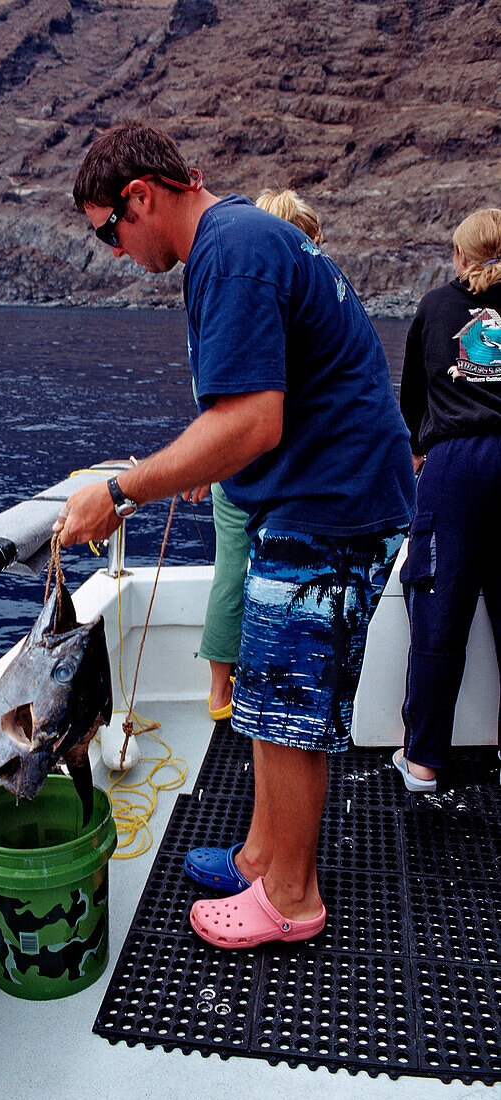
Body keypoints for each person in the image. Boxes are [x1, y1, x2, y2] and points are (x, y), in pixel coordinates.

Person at [54, 120, 416, 948]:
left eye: (110, 230)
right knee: (266, 695)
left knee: (289, 707)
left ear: (141, 197)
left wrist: (118, 493)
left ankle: (290, 898)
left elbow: (251, 420)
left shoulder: (232, 251)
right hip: (324, 494)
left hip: (332, 503)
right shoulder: (244, 235)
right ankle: (261, 855)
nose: (115, 252)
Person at [201, 188, 325, 724]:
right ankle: (263, 689)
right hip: (276, 472)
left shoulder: (236, 290)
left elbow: (222, 389)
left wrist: (200, 458)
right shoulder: (294, 295)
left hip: (231, 469)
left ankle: (218, 692)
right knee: (272, 573)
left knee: (232, 570)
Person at [395, 208, 501, 792]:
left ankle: (425, 762)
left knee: (439, 612)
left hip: (455, 465)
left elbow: (412, 398)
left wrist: (417, 450)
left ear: (461, 256)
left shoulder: (437, 307)